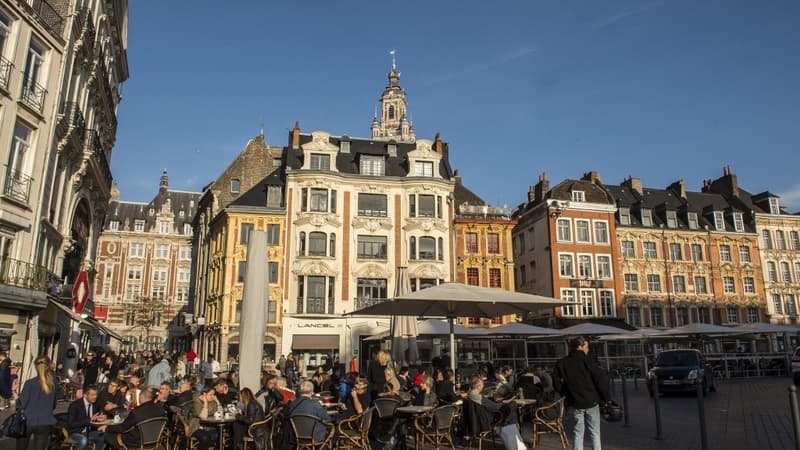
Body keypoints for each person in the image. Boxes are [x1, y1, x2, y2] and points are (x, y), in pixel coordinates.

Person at [553, 336, 609, 450]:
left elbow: (556, 382)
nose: (587, 349)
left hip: (574, 401)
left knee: (577, 433)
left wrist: (565, 392)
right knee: (595, 433)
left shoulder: (562, 362)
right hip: (592, 400)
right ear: (580, 346)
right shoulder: (588, 360)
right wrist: (605, 398)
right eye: (586, 346)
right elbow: (600, 379)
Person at [101, 387, 166, 448]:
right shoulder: (161, 409)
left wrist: (107, 428)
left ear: (141, 396)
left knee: (106, 435)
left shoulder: (138, 411)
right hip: (154, 442)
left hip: (135, 443)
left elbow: (122, 428)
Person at [16, 356, 57, 450]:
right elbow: (54, 405)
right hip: (45, 421)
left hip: (28, 421)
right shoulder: (53, 384)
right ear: (49, 366)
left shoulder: (30, 383)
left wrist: (15, 395)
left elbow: (22, 404)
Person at [66, 385, 107, 450]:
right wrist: (90, 419)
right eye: (92, 395)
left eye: (96, 395)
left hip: (89, 432)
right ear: (85, 395)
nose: (95, 397)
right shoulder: (75, 406)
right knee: (83, 440)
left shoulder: (96, 404)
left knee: (105, 437)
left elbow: (96, 418)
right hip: (76, 432)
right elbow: (70, 424)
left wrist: (99, 419)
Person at [189, 386, 221, 450]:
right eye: (211, 394)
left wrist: (217, 401)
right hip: (197, 426)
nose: (213, 396)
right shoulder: (197, 402)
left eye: (214, 394)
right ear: (204, 394)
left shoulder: (213, 402)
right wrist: (205, 403)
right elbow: (203, 417)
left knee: (218, 435)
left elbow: (220, 413)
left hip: (210, 426)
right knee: (205, 437)